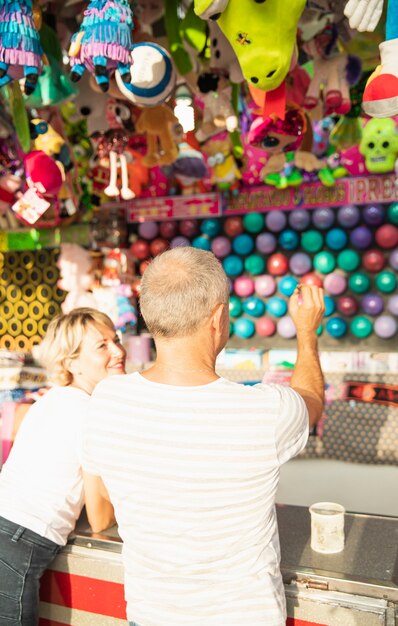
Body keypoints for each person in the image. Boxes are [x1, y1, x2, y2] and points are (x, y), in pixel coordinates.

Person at [83, 247, 325, 626]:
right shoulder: (264, 411)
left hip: (150, 617)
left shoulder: (107, 400)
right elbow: (310, 400)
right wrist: (307, 334)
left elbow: (103, 496)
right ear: (217, 318)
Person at [0, 307, 126, 626]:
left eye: (117, 340)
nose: (118, 351)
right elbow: (100, 518)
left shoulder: (51, 400)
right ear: (70, 362)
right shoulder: (92, 413)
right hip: (20, 542)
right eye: (102, 346)